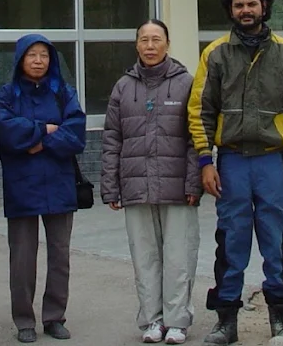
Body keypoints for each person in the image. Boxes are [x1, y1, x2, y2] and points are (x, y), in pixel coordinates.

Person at [188, 0, 283, 345]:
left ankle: (281, 318)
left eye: (252, 4)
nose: (246, 10)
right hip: (230, 162)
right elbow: (199, 110)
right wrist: (204, 161)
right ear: (231, 10)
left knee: (276, 239)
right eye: (239, 5)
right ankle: (226, 321)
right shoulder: (215, 54)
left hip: (271, 161)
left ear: (263, 7)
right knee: (231, 240)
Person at [100, 19, 201, 345]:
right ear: (137, 45)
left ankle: (177, 321)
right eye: (144, 39)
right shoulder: (123, 87)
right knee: (144, 258)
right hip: (135, 186)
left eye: (156, 39)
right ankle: (152, 320)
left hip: (177, 188)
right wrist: (110, 185)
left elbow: (195, 138)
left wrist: (193, 182)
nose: (150, 45)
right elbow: (112, 139)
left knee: (178, 257)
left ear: (167, 44)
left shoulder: (186, 83)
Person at [0, 35, 87, 343]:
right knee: (22, 257)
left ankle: (54, 317)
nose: (38, 60)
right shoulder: (7, 94)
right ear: (20, 59)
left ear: (52, 59)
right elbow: (7, 133)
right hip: (22, 185)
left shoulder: (64, 93)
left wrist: (37, 140)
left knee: (60, 256)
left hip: (59, 184)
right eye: (31, 54)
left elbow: (76, 135)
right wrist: (45, 129)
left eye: (44, 55)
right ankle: (24, 321)